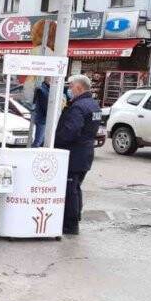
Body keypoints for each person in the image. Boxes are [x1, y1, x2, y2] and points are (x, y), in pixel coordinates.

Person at [54, 74, 102, 236]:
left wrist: (55, 143)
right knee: (75, 187)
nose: (69, 89)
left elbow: (70, 131)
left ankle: (70, 225)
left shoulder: (78, 107)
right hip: (86, 152)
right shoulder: (93, 105)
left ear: (79, 88)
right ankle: (75, 218)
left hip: (74, 154)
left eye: (70, 86)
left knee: (70, 190)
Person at [32, 79, 51, 147]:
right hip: (42, 118)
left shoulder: (47, 88)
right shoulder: (42, 90)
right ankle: (31, 154)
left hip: (43, 117)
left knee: (41, 140)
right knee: (39, 140)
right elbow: (45, 105)